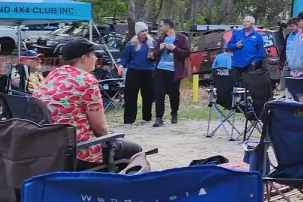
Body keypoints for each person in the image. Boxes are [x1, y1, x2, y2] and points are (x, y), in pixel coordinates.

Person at [34, 39, 142, 168]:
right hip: (78, 151)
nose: (96, 58)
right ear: (84, 58)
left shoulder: (53, 75)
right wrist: (109, 140)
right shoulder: (86, 80)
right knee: (134, 149)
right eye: (94, 54)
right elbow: (100, 128)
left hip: (50, 147)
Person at [149, 18, 190, 126]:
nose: (160, 28)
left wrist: (174, 48)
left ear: (168, 26)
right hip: (160, 70)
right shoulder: (161, 38)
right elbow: (154, 55)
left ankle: (174, 113)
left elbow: (187, 53)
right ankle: (159, 118)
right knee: (159, 93)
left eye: (161, 26)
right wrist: (160, 49)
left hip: (174, 71)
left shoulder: (181, 38)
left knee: (174, 94)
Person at [120, 21, 156, 126]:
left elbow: (157, 55)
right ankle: (129, 119)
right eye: (142, 31)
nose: (144, 33)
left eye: (146, 30)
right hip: (134, 71)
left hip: (148, 71)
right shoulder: (131, 44)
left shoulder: (152, 43)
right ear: (138, 32)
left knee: (148, 95)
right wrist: (121, 65)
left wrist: (154, 57)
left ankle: (147, 117)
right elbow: (125, 57)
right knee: (130, 95)